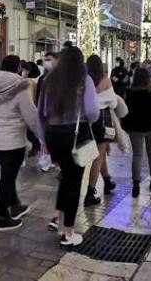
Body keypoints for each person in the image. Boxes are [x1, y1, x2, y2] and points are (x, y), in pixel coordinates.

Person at [37, 46, 99, 247]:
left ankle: (59, 219)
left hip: (53, 136)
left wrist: (43, 141)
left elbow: (41, 113)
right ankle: (69, 233)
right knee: (74, 181)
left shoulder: (49, 80)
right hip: (74, 136)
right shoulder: (84, 80)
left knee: (66, 176)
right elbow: (92, 112)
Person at [0, 55, 37, 231]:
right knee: (7, 178)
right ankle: (1, 217)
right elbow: (30, 114)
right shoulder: (20, 85)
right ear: (18, 68)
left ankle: (15, 205)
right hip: (13, 140)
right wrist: (41, 134)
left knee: (7, 175)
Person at [85, 54, 119, 207]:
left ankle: (107, 181)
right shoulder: (105, 80)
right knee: (98, 156)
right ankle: (90, 192)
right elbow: (113, 102)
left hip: (87, 120)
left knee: (101, 152)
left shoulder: (84, 80)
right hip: (102, 120)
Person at [123, 68, 151, 198]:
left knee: (137, 156)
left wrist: (126, 127)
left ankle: (136, 185)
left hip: (136, 129)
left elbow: (126, 112)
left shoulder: (130, 93)